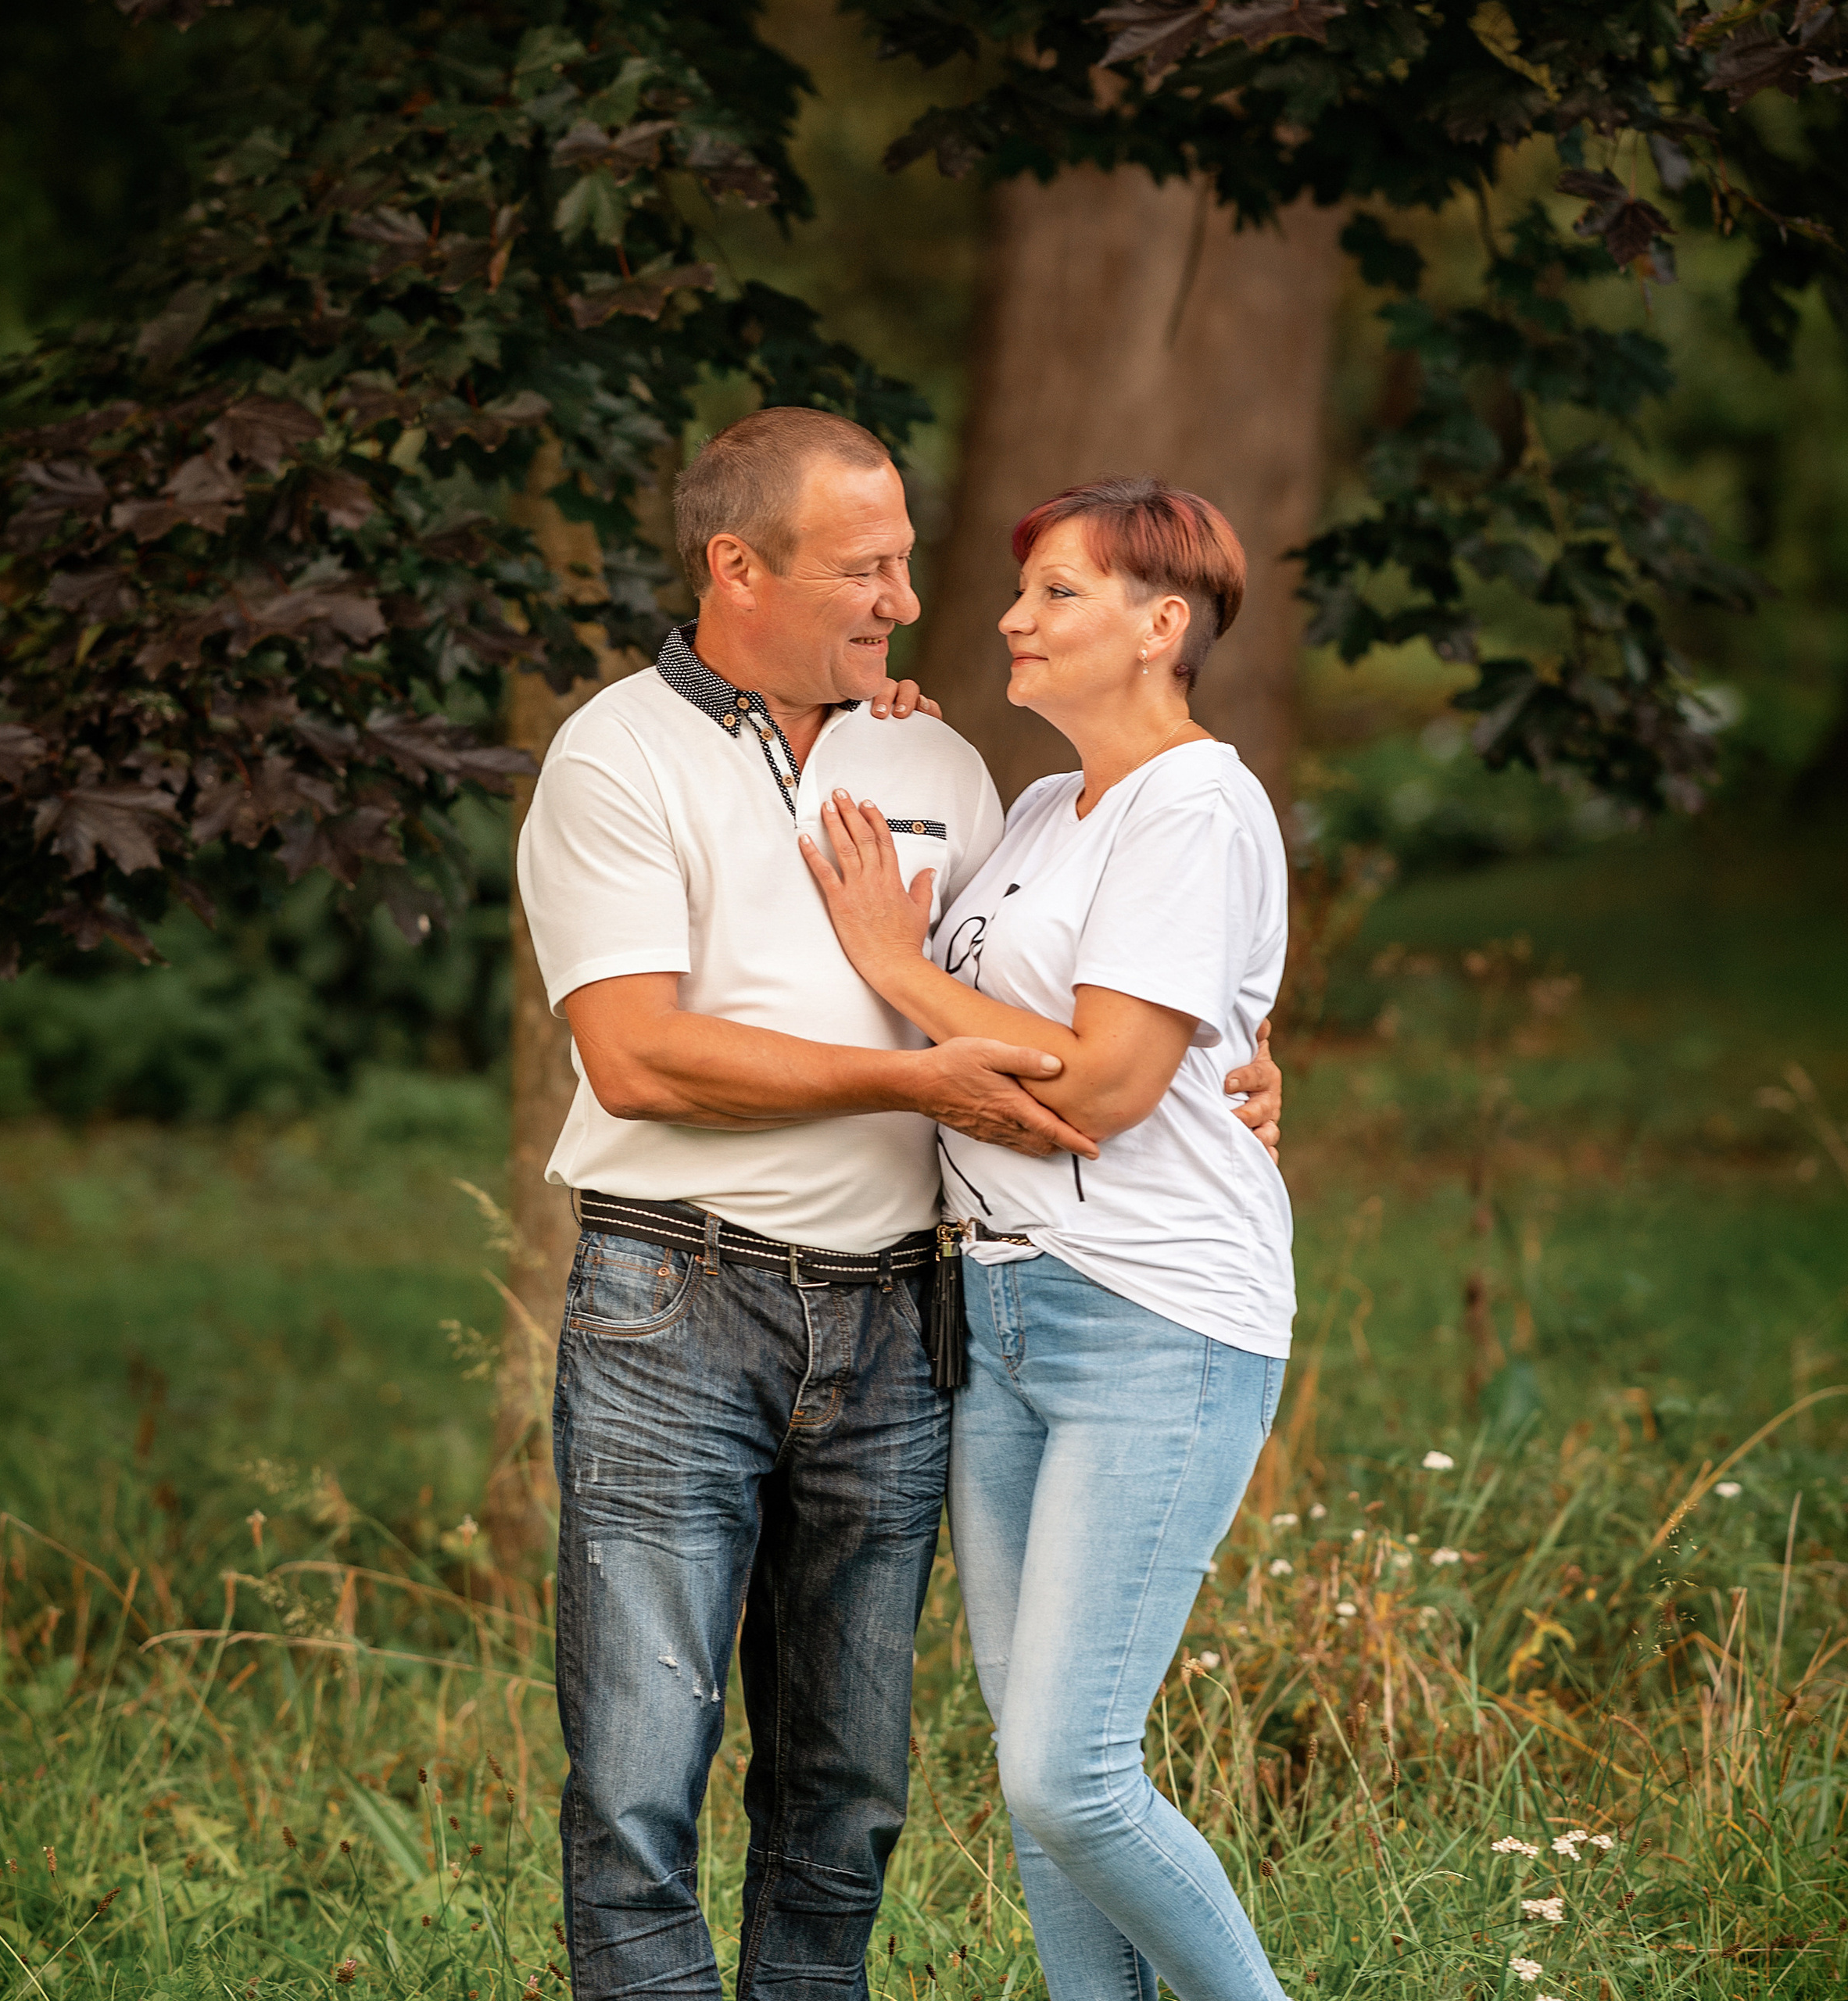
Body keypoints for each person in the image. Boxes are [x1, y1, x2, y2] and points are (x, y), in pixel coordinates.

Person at [517, 410, 1281, 2000]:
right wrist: (918, 1080)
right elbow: (637, 1057)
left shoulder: (939, 759)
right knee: (642, 1769)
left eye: (912, 562)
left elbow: (1086, 1018)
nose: (913, 602)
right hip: (682, 1298)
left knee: (855, 1783)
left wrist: (1240, 1060)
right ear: (739, 566)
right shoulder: (617, 752)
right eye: (866, 567)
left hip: (904, 1316)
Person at [800, 474, 1293, 2001]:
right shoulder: (1039, 808)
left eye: (1057, 591)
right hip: (995, 1312)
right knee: (1036, 1784)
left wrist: (897, 965)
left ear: (1160, 624)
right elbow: (1066, 1039)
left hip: (1149, 1312)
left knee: (1070, 1774)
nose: (1013, 616)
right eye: (1021, 590)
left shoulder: (1196, 804)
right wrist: (874, 732)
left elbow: (1099, 1088)